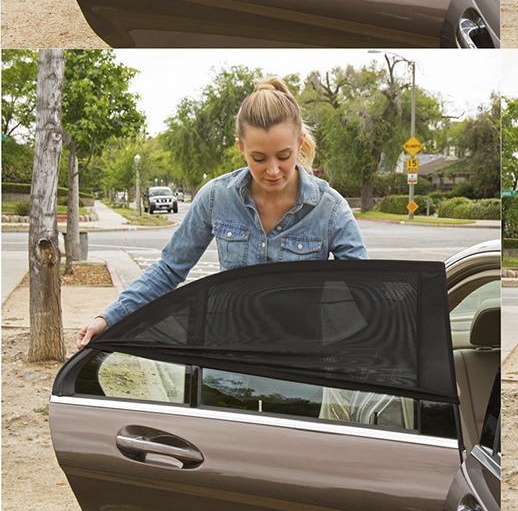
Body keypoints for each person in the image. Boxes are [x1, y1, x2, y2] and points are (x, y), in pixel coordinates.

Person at [77, 77, 366, 347]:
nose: (273, 170)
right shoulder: (216, 198)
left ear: (299, 144)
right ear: (241, 147)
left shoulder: (330, 209)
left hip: (301, 369)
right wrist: (108, 318)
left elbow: (366, 291)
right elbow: (168, 269)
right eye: (259, 158)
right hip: (228, 362)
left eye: (284, 156)